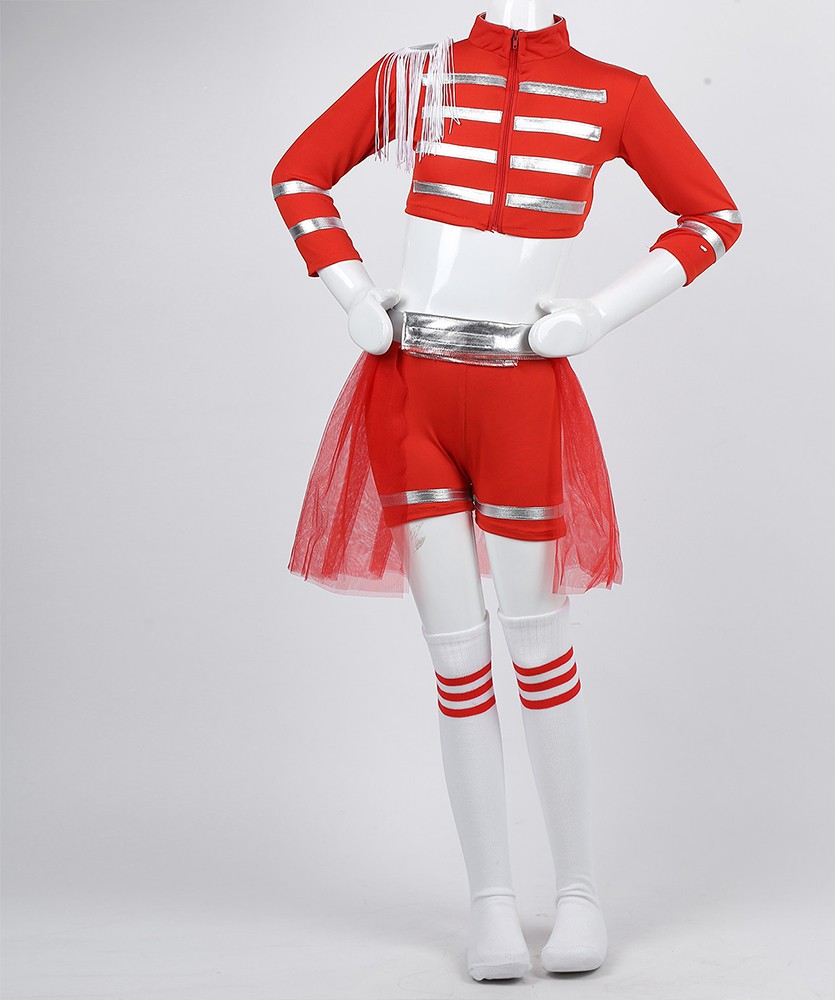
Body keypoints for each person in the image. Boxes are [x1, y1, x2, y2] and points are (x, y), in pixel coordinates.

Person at [270, 1, 742, 981]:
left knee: (539, 644)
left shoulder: (615, 94)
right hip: (409, 389)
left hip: (522, 389)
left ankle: (578, 892)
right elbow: (297, 174)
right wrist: (352, 291)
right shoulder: (414, 74)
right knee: (457, 660)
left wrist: (597, 315)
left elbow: (714, 216)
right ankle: (489, 902)